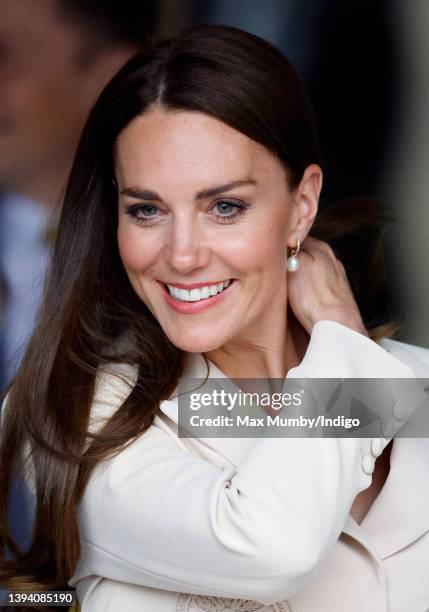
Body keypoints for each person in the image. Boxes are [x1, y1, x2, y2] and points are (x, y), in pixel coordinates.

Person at [0, 25, 428, 612]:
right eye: (147, 210)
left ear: (302, 205)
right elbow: (272, 545)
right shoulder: (78, 410)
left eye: (224, 207)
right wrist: (339, 331)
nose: (181, 255)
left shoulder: (416, 382)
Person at [0, 0, 158, 387]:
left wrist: (332, 339)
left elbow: (314, 425)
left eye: (3, 55)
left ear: (106, 78)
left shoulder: (184, 258)